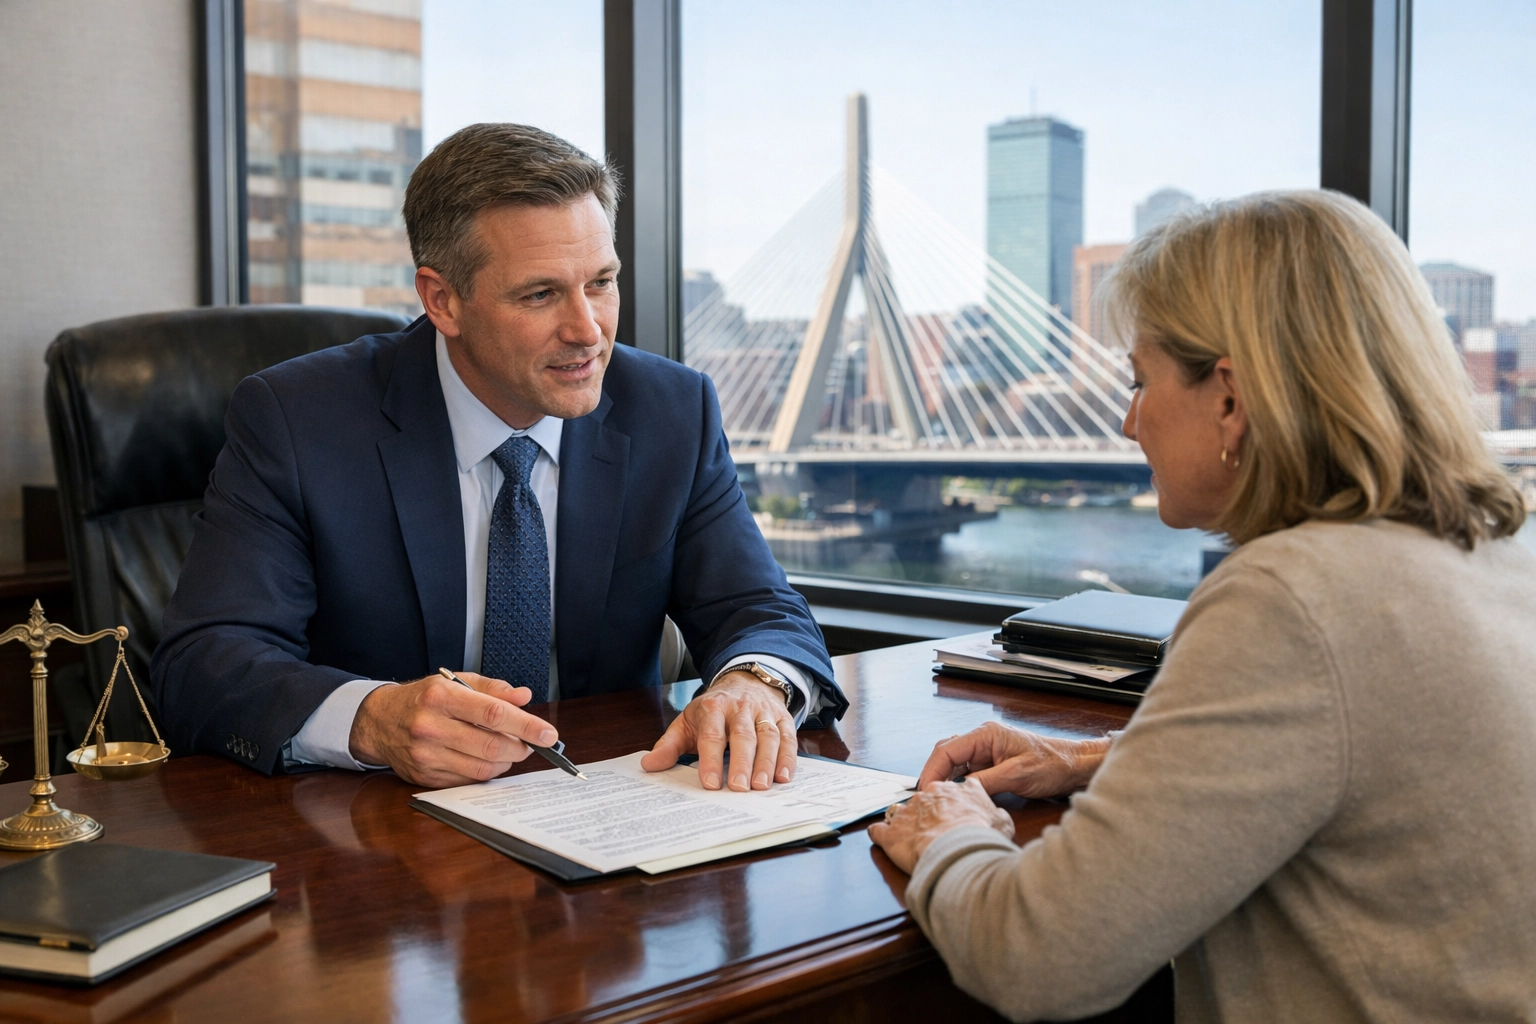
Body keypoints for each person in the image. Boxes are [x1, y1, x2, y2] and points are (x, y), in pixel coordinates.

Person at [870, 190, 1536, 1022]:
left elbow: (1039, 957)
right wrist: (1093, 760)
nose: (1125, 422)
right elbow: (1363, 760)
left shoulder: (1288, 597)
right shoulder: (1495, 556)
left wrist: (947, 835)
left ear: (1228, 397)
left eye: (1141, 380)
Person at [151, 123, 845, 790]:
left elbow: (759, 607)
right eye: (540, 294)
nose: (587, 331)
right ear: (442, 300)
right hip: (375, 834)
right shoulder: (300, 419)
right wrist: (370, 720)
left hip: (611, 812)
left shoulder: (671, 409)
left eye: (600, 282)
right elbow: (204, 663)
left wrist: (757, 683)